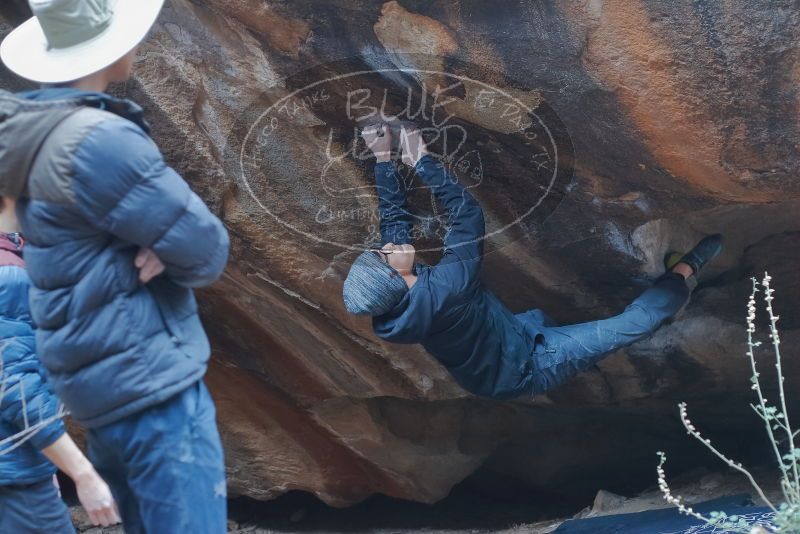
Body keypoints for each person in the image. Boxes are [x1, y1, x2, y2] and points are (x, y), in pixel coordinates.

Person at [0, 1, 230, 532]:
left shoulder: (34, 139)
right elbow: (206, 249)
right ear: (110, 46)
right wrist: (161, 250)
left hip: (102, 393)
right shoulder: (100, 139)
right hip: (150, 384)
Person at [343, 125, 724, 398]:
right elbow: (467, 216)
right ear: (397, 277)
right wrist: (421, 159)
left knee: (544, 321)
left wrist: (382, 157)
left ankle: (563, 335)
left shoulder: (395, 303)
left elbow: (394, 223)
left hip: (500, 349)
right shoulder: (450, 287)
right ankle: (684, 272)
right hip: (531, 365)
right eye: (384, 254)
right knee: (633, 325)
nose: (388, 246)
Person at [0, 197, 120, 532]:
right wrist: (83, 474)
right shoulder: (7, 276)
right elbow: (15, 388)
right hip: (13, 476)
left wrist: (45, 462)